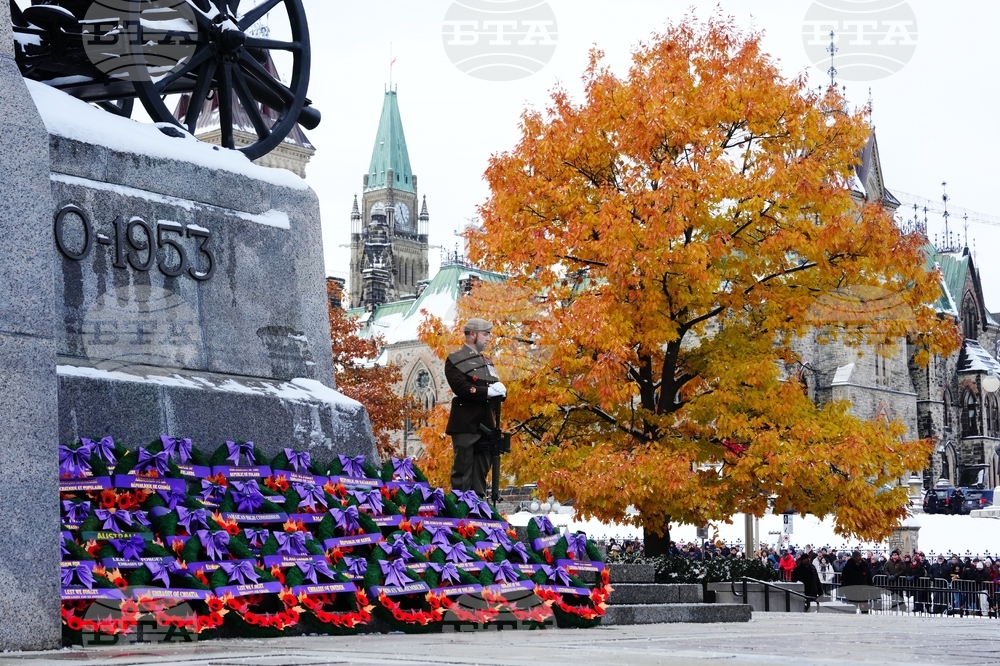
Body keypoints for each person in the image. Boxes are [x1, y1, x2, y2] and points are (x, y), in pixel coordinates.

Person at [444, 318, 506, 496]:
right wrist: (487, 391)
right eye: (485, 334)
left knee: (481, 471)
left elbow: (494, 387)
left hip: (486, 423)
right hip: (466, 422)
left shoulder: (487, 362)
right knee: (463, 472)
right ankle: (461, 506)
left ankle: (478, 506)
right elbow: (460, 386)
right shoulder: (456, 358)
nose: (489, 338)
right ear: (472, 334)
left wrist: (501, 391)